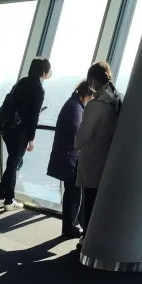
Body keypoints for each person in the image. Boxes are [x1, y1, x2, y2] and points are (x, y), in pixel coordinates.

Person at [0, 57, 50, 212]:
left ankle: (0, 196)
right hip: (20, 131)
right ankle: (8, 200)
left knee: (13, 163)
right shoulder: (38, 89)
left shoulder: (21, 82)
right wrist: (31, 139)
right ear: (43, 72)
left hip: (7, 127)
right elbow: (34, 117)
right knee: (13, 164)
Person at [74, 61, 122, 235]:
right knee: (100, 203)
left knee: (89, 201)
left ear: (93, 81)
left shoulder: (94, 106)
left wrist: (75, 144)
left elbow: (84, 133)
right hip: (109, 160)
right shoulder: (118, 100)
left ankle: (86, 238)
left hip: (92, 159)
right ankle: (95, 237)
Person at [48, 80, 93, 237]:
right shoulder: (75, 108)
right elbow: (77, 134)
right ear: (87, 94)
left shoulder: (73, 104)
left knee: (72, 192)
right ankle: (70, 226)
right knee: (73, 192)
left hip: (67, 156)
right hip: (70, 158)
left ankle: (72, 224)